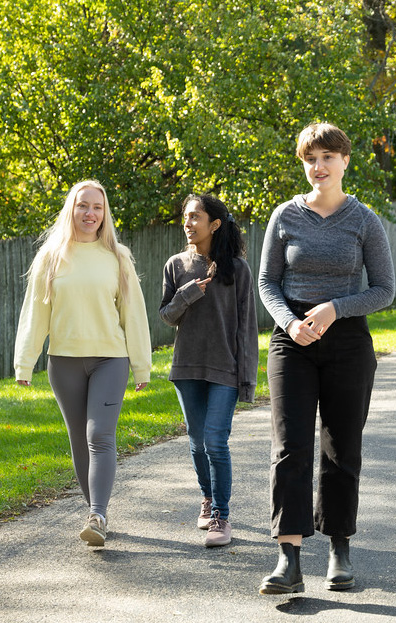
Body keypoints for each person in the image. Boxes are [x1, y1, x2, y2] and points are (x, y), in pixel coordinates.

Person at [257, 122, 395, 594]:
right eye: (310, 159)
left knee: (341, 448)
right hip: (291, 341)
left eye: (327, 158)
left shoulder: (364, 219)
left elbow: (385, 290)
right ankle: (288, 558)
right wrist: (289, 322)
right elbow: (267, 282)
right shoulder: (285, 217)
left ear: (345, 161)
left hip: (348, 341)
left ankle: (340, 549)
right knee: (289, 447)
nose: (318, 167)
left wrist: (337, 308)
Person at [14, 179, 151, 547]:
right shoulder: (51, 257)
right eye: (83, 206)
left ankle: (98, 513)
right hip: (64, 362)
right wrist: (24, 363)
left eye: (97, 207)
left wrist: (141, 365)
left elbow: (133, 314)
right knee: (78, 439)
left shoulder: (118, 256)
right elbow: (35, 313)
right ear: (71, 210)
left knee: (99, 435)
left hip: (110, 358)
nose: (90, 213)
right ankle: (96, 512)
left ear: (105, 214)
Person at [160, 194, 258, 548]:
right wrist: (186, 294)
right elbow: (167, 317)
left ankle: (221, 514)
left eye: (195, 217)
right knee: (198, 443)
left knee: (216, 442)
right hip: (186, 368)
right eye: (185, 217)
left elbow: (246, 329)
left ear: (214, 224)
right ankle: (206, 496)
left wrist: (248, 379)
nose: (188, 223)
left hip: (225, 370)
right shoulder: (176, 265)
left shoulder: (238, 269)